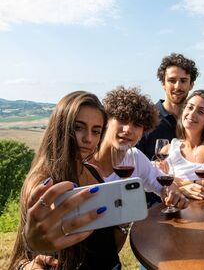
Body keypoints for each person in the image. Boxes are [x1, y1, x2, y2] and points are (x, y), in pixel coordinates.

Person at [9, 89, 189, 270]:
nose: (88, 139)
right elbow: (30, 253)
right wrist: (32, 251)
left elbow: (108, 248)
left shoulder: (95, 172)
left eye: (95, 131)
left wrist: (123, 222)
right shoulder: (42, 183)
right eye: (78, 127)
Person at [90, 86, 189, 209]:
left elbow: (163, 185)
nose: (128, 130)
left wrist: (171, 191)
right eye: (122, 119)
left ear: (143, 132)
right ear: (106, 121)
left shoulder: (135, 158)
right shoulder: (84, 158)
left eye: (137, 125)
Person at [136, 52, 199, 206]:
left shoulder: (196, 120)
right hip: (155, 211)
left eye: (183, 80)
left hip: (195, 206)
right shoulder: (146, 120)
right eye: (172, 80)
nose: (178, 86)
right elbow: (136, 172)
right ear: (163, 84)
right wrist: (179, 187)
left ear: (191, 84)